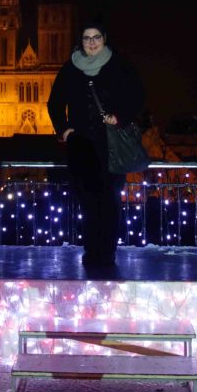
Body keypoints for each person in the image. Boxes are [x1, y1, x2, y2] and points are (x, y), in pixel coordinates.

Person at [47, 21, 144, 269]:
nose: (91, 42)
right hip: (81, 146)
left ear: (104, 38)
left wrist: (119, 116)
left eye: (96, 37)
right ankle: (92, 251)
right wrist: (65, 130)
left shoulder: (119, 65)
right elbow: (54, 103)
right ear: (81, 41)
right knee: (88, 201)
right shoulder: (70, 68)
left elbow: (137, 96)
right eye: (87, 38)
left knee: (110, 200)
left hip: (110, 144)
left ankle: (107, 252)